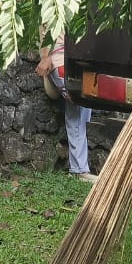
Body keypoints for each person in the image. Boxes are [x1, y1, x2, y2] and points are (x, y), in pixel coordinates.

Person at [36, 36, 95, 182]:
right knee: (79, 107)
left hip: (76, 61)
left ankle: (78, 168)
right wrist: (45, 57)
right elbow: (46, 29)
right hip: (61, 60)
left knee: (81, 111)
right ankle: (79, 170)